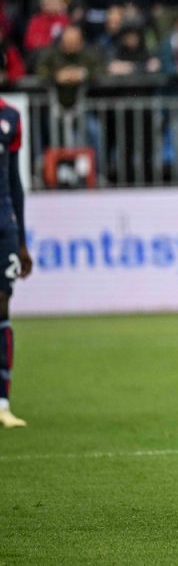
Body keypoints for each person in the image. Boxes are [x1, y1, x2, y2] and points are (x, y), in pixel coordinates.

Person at [0, 98, 32, 428]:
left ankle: (2, 402)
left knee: (2, 305)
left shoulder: (10, 116)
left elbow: (14, 180)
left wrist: (21, 239)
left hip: (3, 225)